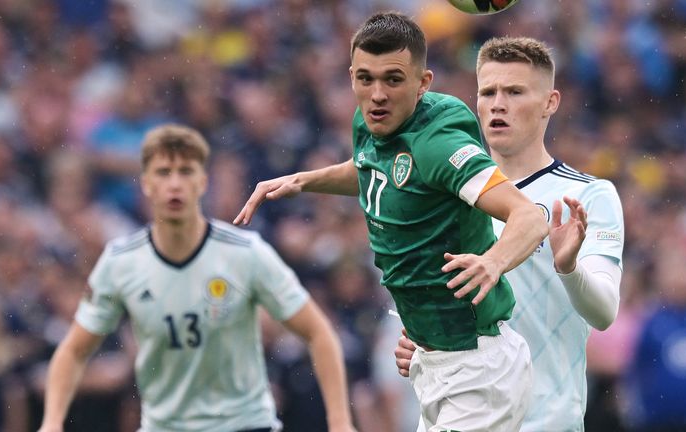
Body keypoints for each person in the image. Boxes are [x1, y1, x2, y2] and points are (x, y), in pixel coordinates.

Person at [234, 12, 548, 432]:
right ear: (352, 77)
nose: (377, 94)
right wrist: (303, 180)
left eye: (393, 80)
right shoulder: (370, 124)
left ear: (423, 83)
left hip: (479, 368)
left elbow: (529, 216)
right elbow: (373, 169)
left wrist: (493, 261)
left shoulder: (440, 144)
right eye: (366, 79)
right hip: (431, 361)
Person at [38, 124, 355, 432]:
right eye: (164, 173)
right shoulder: (121, 262)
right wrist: (52, 422)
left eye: (186, 172)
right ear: (146, 185)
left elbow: (318, 331)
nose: (175, 184)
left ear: (203, 182)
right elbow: (73, 350)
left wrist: (340, 422)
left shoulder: (245, 253)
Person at [394, 36, 626, 432]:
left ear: (550, 103)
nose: (498, 104)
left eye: (515, 92)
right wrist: (422, 345)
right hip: (454, 417)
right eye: (488, 92)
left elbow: (604, 313)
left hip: (543, 422)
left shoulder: (586, 196)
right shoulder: (446, 194)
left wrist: (569, 268)